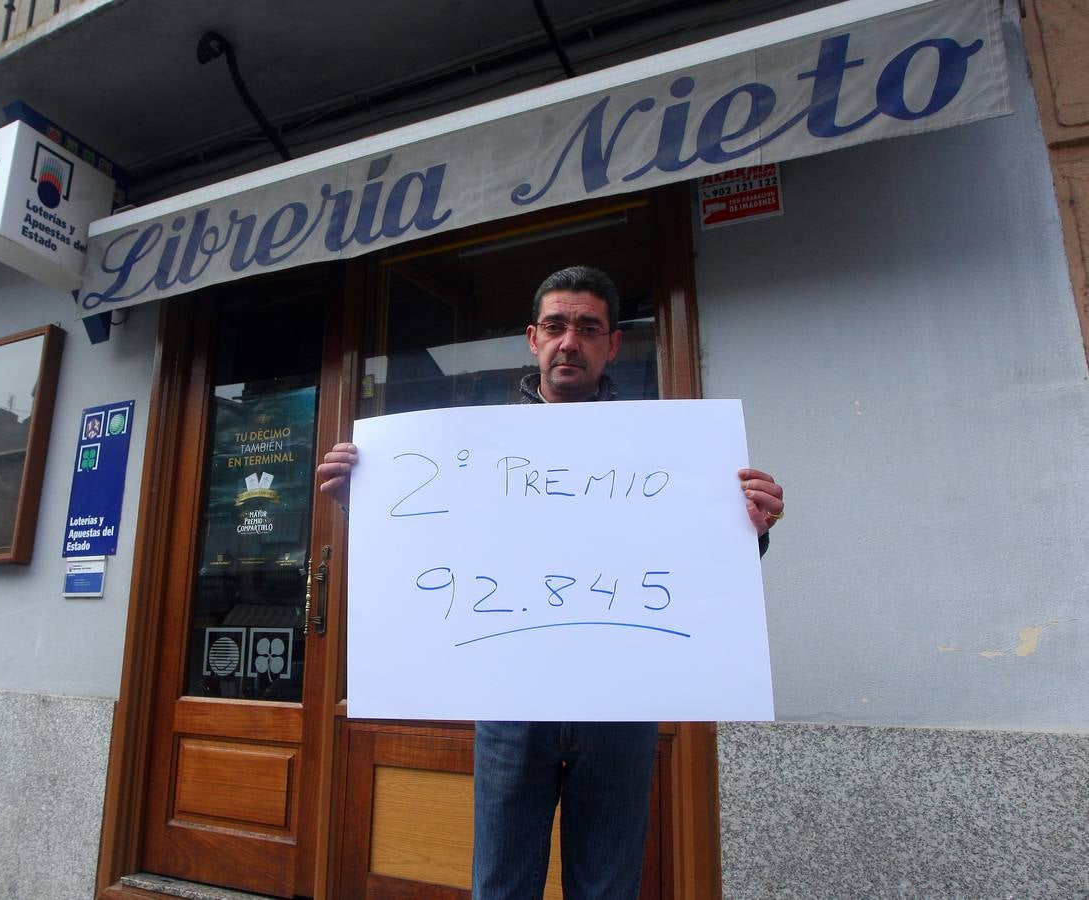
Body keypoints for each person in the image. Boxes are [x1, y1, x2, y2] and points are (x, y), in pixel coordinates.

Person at [317, 266, 784, 899]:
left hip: (620, 707)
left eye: (589, 328)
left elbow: (698, 571)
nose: (571, 341)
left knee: (607, 888)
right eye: (557, 326)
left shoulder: (664, 451)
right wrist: (364, 502)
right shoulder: (469, 449)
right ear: (533, 339)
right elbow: (430, 555)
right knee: (502, 887)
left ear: (612, 344)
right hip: (511, 705)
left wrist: (748, 527)